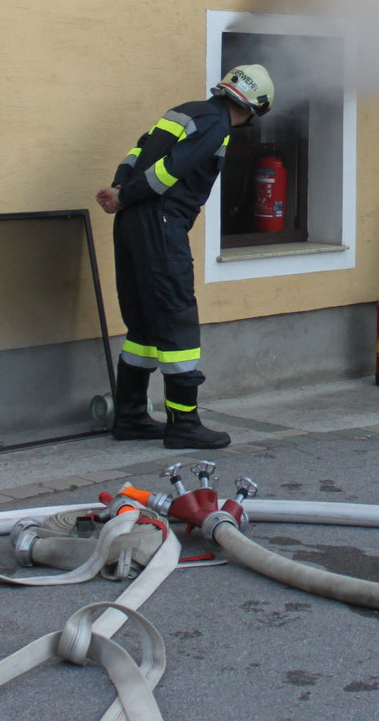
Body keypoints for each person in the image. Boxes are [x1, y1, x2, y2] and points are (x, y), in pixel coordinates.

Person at [96, 65, 274, 450]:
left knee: (144, 323)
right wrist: (126, 195)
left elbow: (138, 150)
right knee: (177, 317)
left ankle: (130, 416)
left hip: (131, 222)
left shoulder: (187, 110)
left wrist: (120, 189)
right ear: (256, 108)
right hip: (159, 222)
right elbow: (169, 171)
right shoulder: (216, 125)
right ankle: (184, 424)